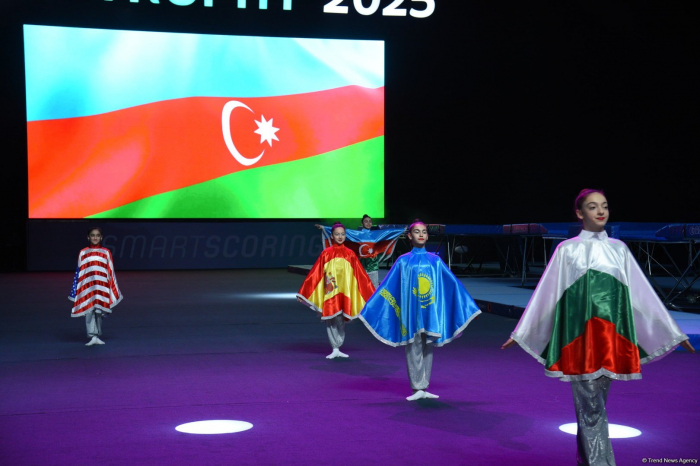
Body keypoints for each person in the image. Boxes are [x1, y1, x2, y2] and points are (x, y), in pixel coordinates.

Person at [502, 189, 694, 466]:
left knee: (592, 407)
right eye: (593, 207)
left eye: (604, 206)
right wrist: (522, 332)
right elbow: (547, 294)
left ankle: (586, 461)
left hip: (612, 340)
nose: (601, 211)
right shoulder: (566, 250)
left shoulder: (619, 249)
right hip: (579, 341)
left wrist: (673, 332)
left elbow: (643, 296)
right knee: (591, 406)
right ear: (580, 214)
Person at [360, 219, 481, 400]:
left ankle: (423, 386)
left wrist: (470, 308)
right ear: (409, 236)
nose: (421, 234)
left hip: (430, 311)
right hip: (411, 312)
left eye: (424, 231)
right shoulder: (403, 261)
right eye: (417, 232)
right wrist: (370, 308)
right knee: (414, 346)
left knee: (428, 347)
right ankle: (417, 387)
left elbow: (452, 284)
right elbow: (388, 286)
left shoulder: (435, 261)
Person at [297, 222, 376, 359]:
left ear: (345, 236)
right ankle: (335, 347)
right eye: (337, 234)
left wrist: (371, 292)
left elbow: (360, 274)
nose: (340, 237)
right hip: (331, 292)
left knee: (341, 320)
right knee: (331, 318)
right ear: (332, 236)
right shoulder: (326, 253)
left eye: (342, 234)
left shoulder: (350, 254)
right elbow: (316, 273)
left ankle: (338, 345)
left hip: (345, 292)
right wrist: (304, 292)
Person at [69, 227, 123, 346]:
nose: (95, 237)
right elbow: (79, 270)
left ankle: (97, 335)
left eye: (97, 235)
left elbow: (110, 270)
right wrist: (78, 288)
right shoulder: (83, 252)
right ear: (88, 237)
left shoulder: (106, 252)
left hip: (102, 286)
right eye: (92, 235)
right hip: (88, 286)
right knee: (89, 310)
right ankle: (92, 335)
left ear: (101, 237)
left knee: (99, 311)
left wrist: (111, 287)